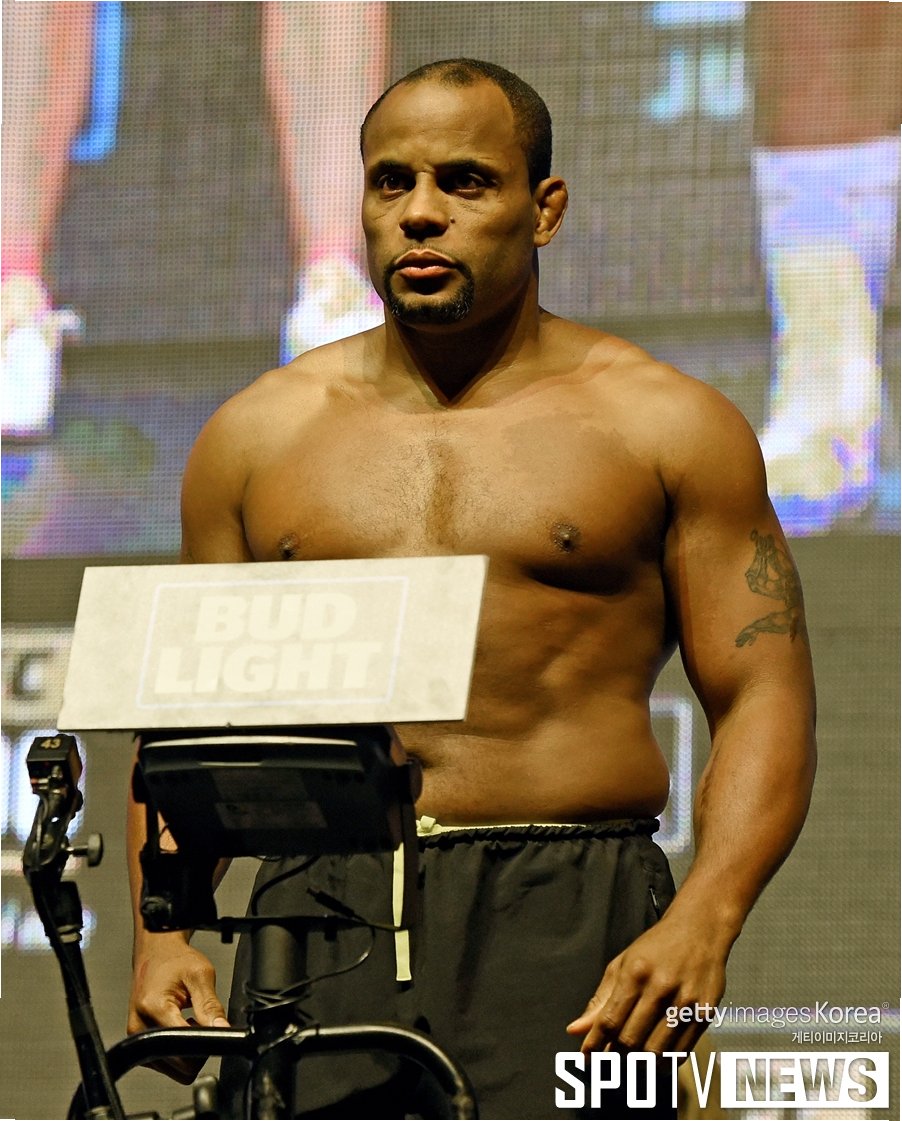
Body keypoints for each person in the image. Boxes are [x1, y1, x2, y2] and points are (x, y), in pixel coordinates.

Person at [126, 59, 817, 1119]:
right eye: (390, 181)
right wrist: (164, 932)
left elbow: (763, 691)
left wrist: (706, 916)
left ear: (544, 210)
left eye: (464, 181)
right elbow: (192, 722)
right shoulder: (256, 436)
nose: (419, 213)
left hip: (574, 906)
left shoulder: (663, 423)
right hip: (319, 912)